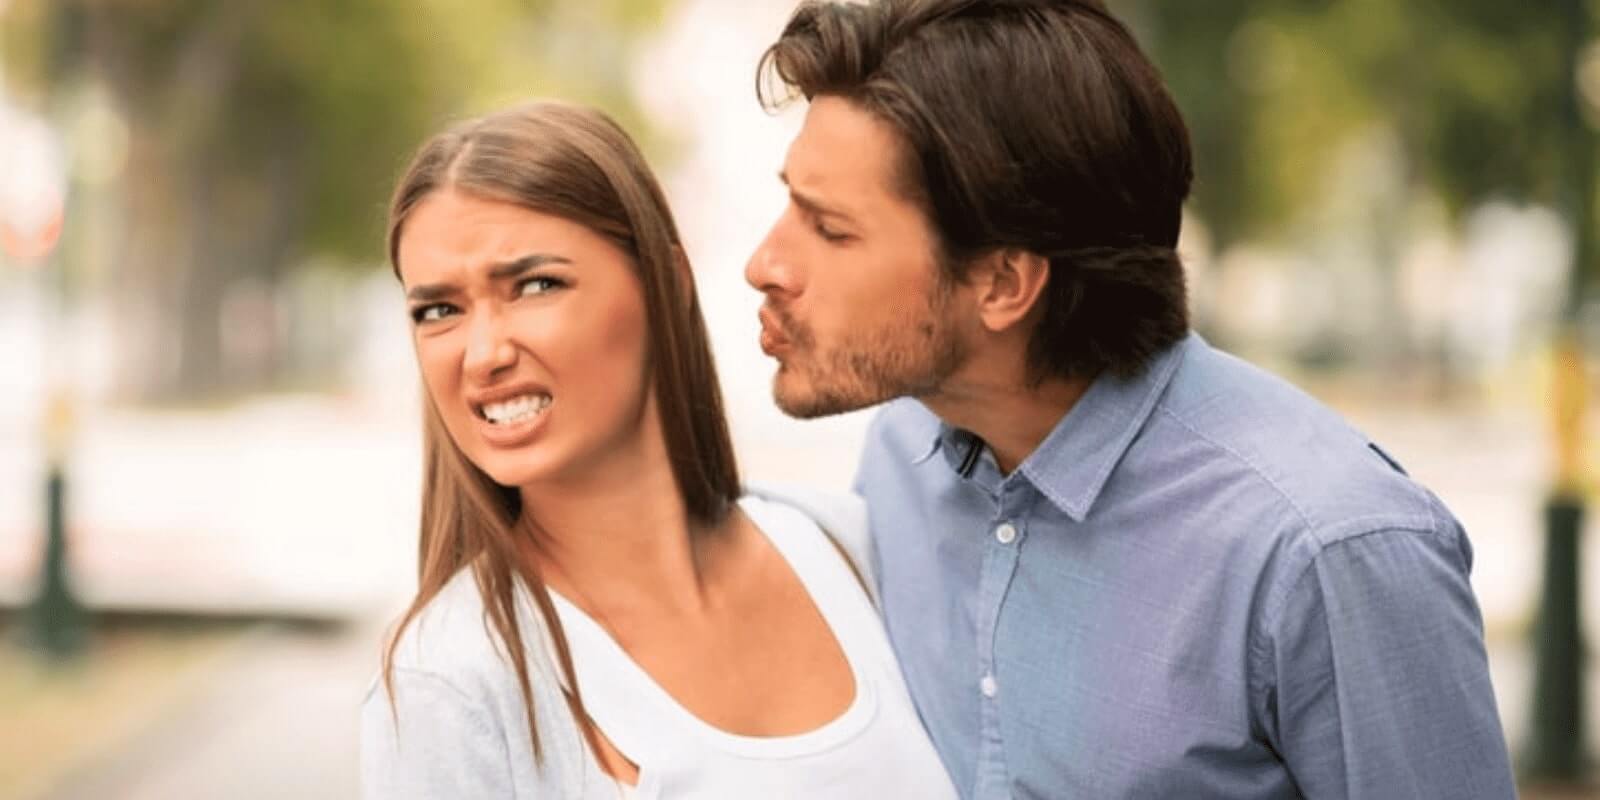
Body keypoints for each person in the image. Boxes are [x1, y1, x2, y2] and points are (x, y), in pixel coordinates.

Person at [745, 1, 1517, 798]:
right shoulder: (904, 452)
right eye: (789, 204)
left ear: (1005, 283)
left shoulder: (1327, 551)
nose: (765, 263)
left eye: (830, 229)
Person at [359, 101, 957, 799]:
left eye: (535, 285)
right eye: (440, 310)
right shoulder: (453, 681)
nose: (484, 354)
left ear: (666, 283)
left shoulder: (848, 548)